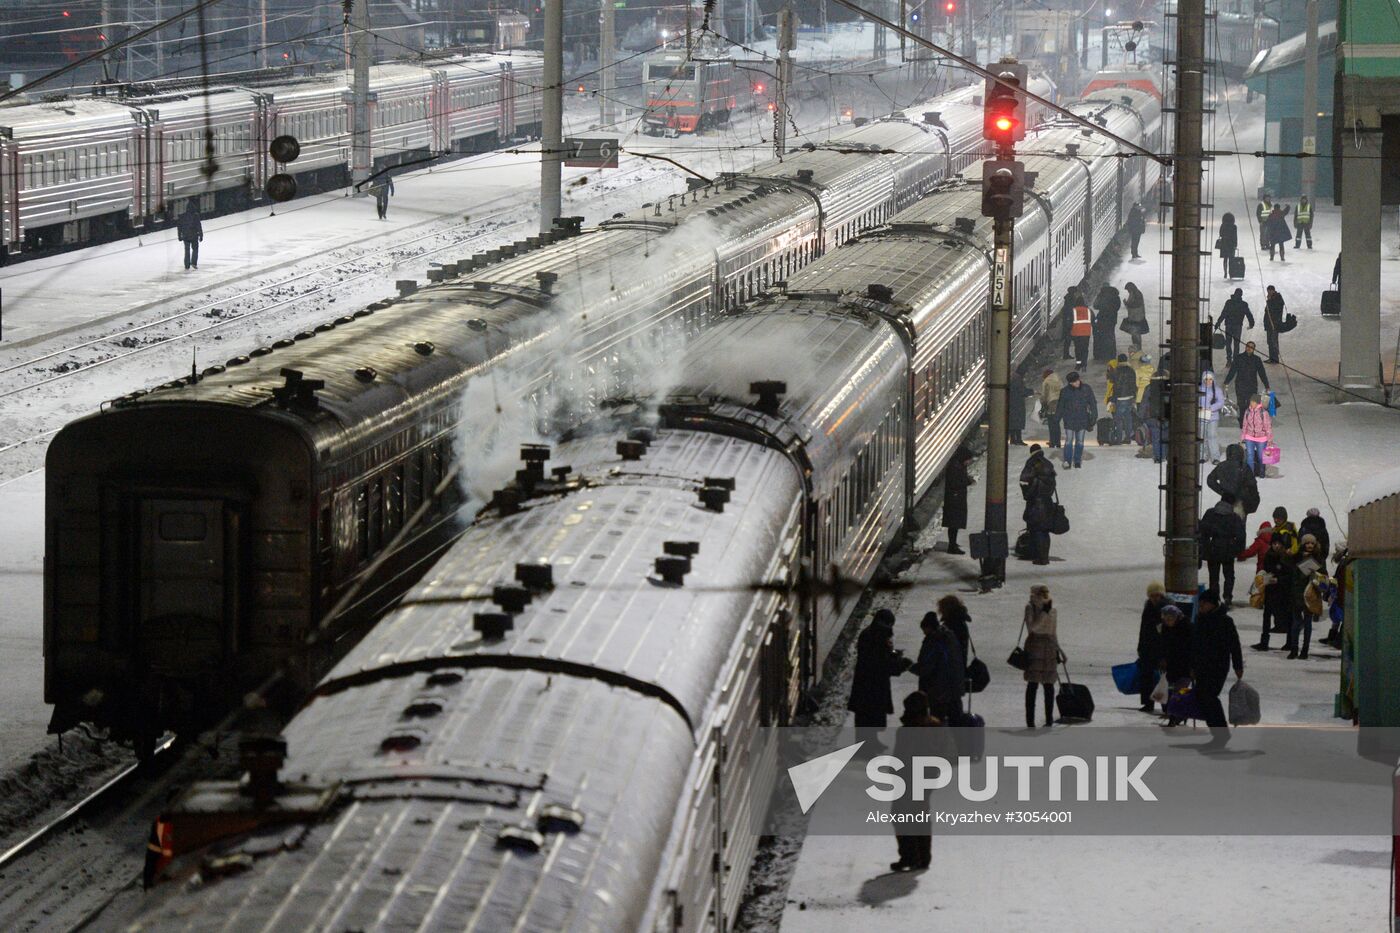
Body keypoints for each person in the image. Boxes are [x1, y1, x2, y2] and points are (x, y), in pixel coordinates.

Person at [889, 691, 938, 872]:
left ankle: (910, 856)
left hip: (910, 778)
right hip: (927, 778)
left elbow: (901, 755)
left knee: (901, 816)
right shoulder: (934, 726)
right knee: (920, 816)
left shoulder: (909, 731)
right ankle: (922, 857)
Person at [847, 609, 910, 748]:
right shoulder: (878, 637)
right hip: (872, 682)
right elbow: (881, 662)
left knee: (870, 714)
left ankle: (871, 742)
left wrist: (894, 654)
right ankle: (866, 746)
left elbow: (883, 656)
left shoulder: (871, 633)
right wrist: (899, 664)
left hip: (867, 681)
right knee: (871, 714)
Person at [1190, 588, 1244, 746]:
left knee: (1209, 698)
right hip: (1201, 666)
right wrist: (1192, 666)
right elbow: (1194, 645)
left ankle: (1221, 734)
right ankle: (1217, 732)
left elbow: (1234, 645)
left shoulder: (1225, 621)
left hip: (1218, 666)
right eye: (1200, 604)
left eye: (1204, 604)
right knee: (1203, 698)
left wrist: (1238, 665)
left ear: (1213, 604)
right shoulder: (1200, 620)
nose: (1201, 607)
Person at [910, 611, 965, 721]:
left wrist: (909, 666)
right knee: (956, 721)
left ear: (929, 627)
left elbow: (926, 667)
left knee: (937, 722)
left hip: (938, 691)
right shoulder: (950, 637)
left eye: (924, 630)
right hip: (954, 688)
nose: (924, 633)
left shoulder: (934, 641)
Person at [1023, 585, 1062, 727]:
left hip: (1050, 647)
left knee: (1049, 684)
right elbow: (1032, 627)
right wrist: (1044, 613)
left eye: (1046, 592)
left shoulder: (1052, 608)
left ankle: (1049, 720)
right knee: (1033, 684)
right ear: (1036, 593)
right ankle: (1030, 721)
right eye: (1042, 592)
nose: (1045, 595)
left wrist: (1059, 649)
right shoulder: (1030, 607)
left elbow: (1053, 630)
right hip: (1035, 647)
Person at [1199, 497, 1247, 607]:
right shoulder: (1234, 517)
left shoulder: (1210, 513)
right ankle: (1227, 597)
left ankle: (1214, 599)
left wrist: (1205, 549)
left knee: (1214, 577)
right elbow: (1241, 536)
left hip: (1213, 550)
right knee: (1229, 576)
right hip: (1228, 551)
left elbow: (1202, 531)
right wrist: (1237, 551)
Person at [1256, 535, 1299, 652]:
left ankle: (1289, 642)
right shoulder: (1269, 556)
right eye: (1274, 543)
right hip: (1271, 590)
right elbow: (1266, 569)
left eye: (1278, 543)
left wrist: (1278, 579)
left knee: (1287, 616)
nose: (1276, 546)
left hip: (1284, 591)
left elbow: (1290, 575)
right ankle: (1264, 642)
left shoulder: (1287, 557)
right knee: (1267, 615)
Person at [1289, 534, 1328, 659]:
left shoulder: (1319, 558)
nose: (1310, 545)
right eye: (1307, 543)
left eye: (1312, 543)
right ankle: (1294, 649)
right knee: (1296, 623)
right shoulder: (1296, 557)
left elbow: (1324, 576)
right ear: (1303, 544)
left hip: (1311, 593)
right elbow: (1292, 574)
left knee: (1307, 623)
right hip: (1298, 593)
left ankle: (1304, 650)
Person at [1019, 444, 1058, 565]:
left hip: (1035, 502)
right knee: (1044, 530)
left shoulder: (1031, 463)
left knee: (1036, 530)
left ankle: (1040, 557)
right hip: (1047, 502)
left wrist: (1027, 493)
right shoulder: (1048, 464)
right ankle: (1044, 555)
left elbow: (1024, 480)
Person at [1158, 605, 1192, 725]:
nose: (1168, 621)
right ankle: (1174, 714)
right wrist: (1162, 659)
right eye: (1165, 619)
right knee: (1170, 691)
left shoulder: (1187, 627)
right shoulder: (1165, 628)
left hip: (1184, 666)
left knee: (1179, 692)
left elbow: (1192, 648)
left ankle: (1176, 716)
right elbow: (1163, 645)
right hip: (1171, 666)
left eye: (1170, 619)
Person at [1056, 371, 1097, 469]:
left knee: (1080, 441)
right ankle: (1067, 460)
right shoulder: (1065, 391)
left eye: (1078, 380)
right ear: (1070, 383)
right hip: (1069, 418)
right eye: (1074, 382)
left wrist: (1094, 416)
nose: (1077, 383)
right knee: (1069, 440)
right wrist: (1057, 418)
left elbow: (1092, 403)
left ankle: (1077, 460)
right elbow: (1061, 406)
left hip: (1082, 418)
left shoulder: (1086, 388)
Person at [1223, 340, 1270, 426]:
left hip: (1252, 386)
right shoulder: (1238, 358)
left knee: (1252, 405)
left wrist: (1267, 385)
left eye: (1251, 347)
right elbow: (1232, 371)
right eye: (1248, 346)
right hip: (1240, 385)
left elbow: (1262, 373)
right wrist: (1226, 382)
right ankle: (1242, 422)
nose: (1249, 348)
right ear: (1245, 347)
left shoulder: (1257, 360)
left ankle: (1250, 422)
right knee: (1241, 404)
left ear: (1254, 349)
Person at [1207, 443, 1260, 519]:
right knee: (1238, 526)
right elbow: (1252, 486)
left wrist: (1222, 492)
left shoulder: (1221, 466)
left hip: (1225, 501)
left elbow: (1210, 480)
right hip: (1241, 502)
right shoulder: (1244, 467)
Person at [1138, 582, 1168, 712]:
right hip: (1147, 647)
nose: (1155, 598)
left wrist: (1164, 654)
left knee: (1163, 678)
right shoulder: (1148, 607)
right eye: (1152, 595)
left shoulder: (1167, 609)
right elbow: (1143, 629)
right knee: (1146, 677)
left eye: (1157, 595)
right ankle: (1148, 703)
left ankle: (1166, 705)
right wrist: (1140, 646)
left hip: (1161, 649)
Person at [941, 445, 974, 554]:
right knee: (954, 524)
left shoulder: (958, 465)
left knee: (955, 524)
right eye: (968, 459)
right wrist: (968, 481)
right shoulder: (955, 467)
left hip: (956, 499)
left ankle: (953, 543)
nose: (969, 462)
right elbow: (955, 483)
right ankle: (952, 546)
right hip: (954, 500)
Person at [1217, 288, 1254, 367]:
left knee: (1228, 343)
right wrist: (1252, 323)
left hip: (1229, 325)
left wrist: (1218, 322)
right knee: (1236, 344)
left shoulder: (1229, 302)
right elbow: (1249, 314)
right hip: (1237, 326)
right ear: (1241, 295)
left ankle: (1229, 360)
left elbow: (1224, 313)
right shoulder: (1243, 304)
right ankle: (1235, 361)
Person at [1240, 394, 1272, 479]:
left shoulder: (1264, 413)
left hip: (1261, 438)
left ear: (1257, 403)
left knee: (1261, 457)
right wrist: (1243, 437)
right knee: (1250, 457)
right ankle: (1251, 475)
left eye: (1253, 402)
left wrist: (1269, 440)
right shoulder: (1247, 411)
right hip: (1249, 437)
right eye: (1251, 401)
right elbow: (1244, 424)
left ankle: (1262, 472)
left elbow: (1268, 427)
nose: (1251, 403)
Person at [1198, 371, 1225, 463]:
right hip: (1201, 416)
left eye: (1210, 379)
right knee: (1202, 436)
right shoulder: (1199, 389)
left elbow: (1221, 402)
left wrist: (1211, 408)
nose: (1208, 381)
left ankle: (1215, 457)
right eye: (1206, 379)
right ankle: (1202, 456)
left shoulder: (1217, 390)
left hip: (1213, 417)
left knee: (1212, 436)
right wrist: (1199, 408)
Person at [1110, 353, 1138, 443]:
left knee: (1118, 419)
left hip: (1120, 398)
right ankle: (1128, 438)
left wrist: (1113, 399)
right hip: (1130, 397)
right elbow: (1134, 384)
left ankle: (1118, 438)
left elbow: (1114, 384)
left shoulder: (1116, 370)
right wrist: (1134, 396)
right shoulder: (1131, 370)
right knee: (1128, 418)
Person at [1143, 364, 1168, 462]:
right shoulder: (1169, 387)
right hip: (1166, 417)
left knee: (1155, 437)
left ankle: (1157, 457)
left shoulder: (1149, 388)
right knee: (1164, 437)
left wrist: (1141, 416)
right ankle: (1164, 455)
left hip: (1152, 418)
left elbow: (1144, 403)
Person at [1092, 285, 1121, 361]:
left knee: (1100, 336)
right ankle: (1111, 354)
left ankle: (1100, 355)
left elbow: (1095, 305)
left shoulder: (1102, 296)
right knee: (1111, 335)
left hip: (1102, 318)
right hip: (1112, 319)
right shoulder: (1116, 297)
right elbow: (1117, 307)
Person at [1121, 281, 1149, 352]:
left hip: (1137, 318)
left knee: (1136, 334)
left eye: (1128, 290)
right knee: (1135, 334)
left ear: (1130, 288)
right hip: (1134, 317)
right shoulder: (1134, 293)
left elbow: (1136, 305)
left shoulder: (1136, 294)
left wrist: (1127, 304)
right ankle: (1137, 348)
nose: (1127, 291)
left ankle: (1138, 349)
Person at [1039, 368, 1063, 448]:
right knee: (1056, 423)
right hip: (1061, 403)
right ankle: (1058, 442)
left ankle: (1052, 442)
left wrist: (1042, 403)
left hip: (1052, 403)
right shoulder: (1058, 379)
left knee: (1051, 423)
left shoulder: (1046, 381)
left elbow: (1044, 395)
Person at [1262, 285, 1286, 363]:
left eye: (1269, 291)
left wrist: (1269, 300)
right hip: (1270, 324)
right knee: (1270, 341)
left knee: (1273, 341)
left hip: (1274, 324)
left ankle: (1275, 358)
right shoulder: (1273, 298)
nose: (1268, 293)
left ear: (1272, 291)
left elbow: (1272, 310)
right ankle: (1272, 357)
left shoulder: (1277, 299)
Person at [177, 202, 203, 270]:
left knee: (187, 250)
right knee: (195, 249)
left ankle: (187, 265)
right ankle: (194, 262)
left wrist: (179, 236)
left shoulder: (182, 216)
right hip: (194, 236)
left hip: (185, 236)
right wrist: (201, 235)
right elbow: (199, 226)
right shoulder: (195, 216)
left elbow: (179, 227)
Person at [1009, 366, 1031, 445]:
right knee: (1018, 422)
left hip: (1011, 403)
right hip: (1018, 404)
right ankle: (1018, 439)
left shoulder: (1013, 377)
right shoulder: (1018, 379)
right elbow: (1022, 391)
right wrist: (1032, 392)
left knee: (1013, 422)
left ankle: (1013, 439)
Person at [1070, 297, 1093, 368]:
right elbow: (1093, 320)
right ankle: (1084, 363)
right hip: (1086, 333)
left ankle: (1078, 364)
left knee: (1078, 348)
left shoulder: (1073, 311)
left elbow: (1069, 322)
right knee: (1085, 348)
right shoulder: (1089, 310)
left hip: (1076, 333)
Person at [1059, 288, 1081, 359]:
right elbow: (1071, 311)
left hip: (1068, 322)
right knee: (1072, 339)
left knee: (1067, 340)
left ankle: (1066, 354)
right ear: (1074, 292)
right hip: (1070, 322)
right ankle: (1069, 355)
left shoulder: (1068, 299)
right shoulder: (1071, 300)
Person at [1216, 212, 1238, 278]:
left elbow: (1220, 234)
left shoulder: (1223, 225)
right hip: (1231, 244)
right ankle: (1231, 273)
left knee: (1225, 259)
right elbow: (1235, 236)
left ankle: (1225, 272)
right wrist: (1235, 244)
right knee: (1231, 259)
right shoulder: (1234, 226)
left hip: (1224, 244)